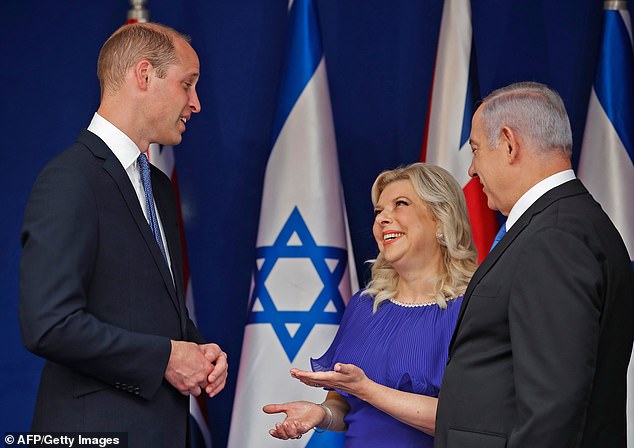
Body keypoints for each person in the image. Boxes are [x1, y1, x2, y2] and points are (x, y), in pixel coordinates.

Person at [19, 23, 228, 447]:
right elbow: (49, 324)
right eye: (187, 84)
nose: (197, 103)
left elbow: (148, 309)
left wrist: (199, 349)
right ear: (144, 75)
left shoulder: (158, 187)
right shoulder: (70, 180)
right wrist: (166, 358)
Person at [435, 82, 634, 447]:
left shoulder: (554, 238)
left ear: (509, 143)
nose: (472, 170)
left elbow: (553, 409)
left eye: (476, 150)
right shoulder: (567, 224)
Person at [263, 163, 479, 447]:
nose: (382, 219)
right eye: (379, 212)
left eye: (400, 204)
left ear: (441, 220)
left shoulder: (471, 309)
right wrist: (323, 414)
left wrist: (368, 390)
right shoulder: (365, 306)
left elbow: (467, 419)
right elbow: (343, 402)